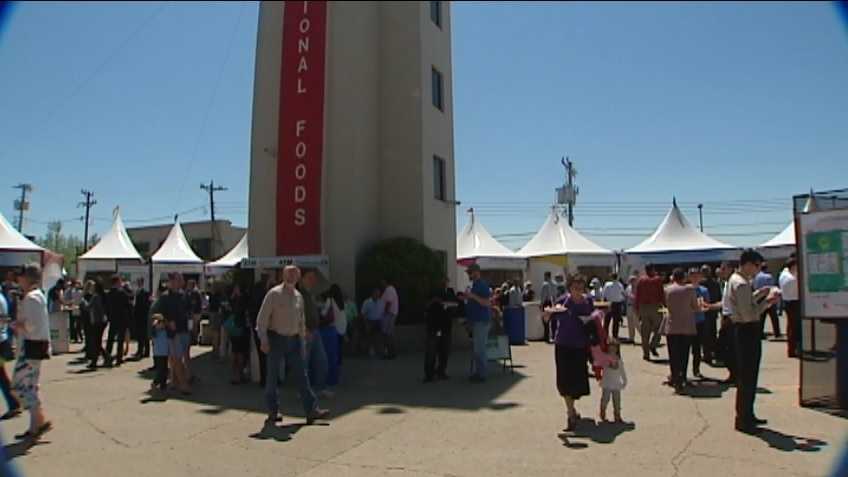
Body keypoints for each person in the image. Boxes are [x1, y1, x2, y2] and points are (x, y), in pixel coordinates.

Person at [256, 265, 329, 425]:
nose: (291, 278)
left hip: (295, 340)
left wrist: (302, 339)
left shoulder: (298, 297)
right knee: (272, 377)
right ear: (283, 276)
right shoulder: (273, 294)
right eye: (289, 274)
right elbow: (262, 320)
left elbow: (301, 320)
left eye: (294, 275)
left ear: (298, 278)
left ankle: (311, 411)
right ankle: (273, 412)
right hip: (276, 338)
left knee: (302, 375)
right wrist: (264, 340)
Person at [729, 249, 781, 434]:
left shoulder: (736, 280)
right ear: (748, 264)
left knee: (748, 376)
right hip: (747, 329)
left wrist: (760, 293)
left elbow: (747, 303)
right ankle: (743, 418)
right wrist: (768, 302)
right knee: (748, 377)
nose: (757, 270)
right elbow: (749, 313)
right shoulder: (741, 283)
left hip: (742, 330)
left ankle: (747, 414)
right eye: (757, 266)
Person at [545, 274, 596, 431]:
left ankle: (572, 409)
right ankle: (570, 413)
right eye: (575, 288)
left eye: (581, 288)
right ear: (569, 288)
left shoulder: (588, 302)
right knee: (564, 380)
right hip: (563, 344)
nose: (578, 291)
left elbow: (595, 319)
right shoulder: (562, 301)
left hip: (580, 345)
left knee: (577, 382)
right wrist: (547, 314)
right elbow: (548, 319)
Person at [10, 263, 52, 441]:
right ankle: (38, 422)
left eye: (21, 276)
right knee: (30, 385)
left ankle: (38, 421)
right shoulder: (37, 296)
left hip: (30, 347)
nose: (18, 280)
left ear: (27, 278)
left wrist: (17, 325)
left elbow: (31, 325)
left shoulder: (32, 298)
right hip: (35, 347)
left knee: (20, 386)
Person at [150, 273, 191, 395]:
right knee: (176, 358)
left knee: (178, 358)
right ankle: (183, 385)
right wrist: (167, 323)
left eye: (180, 280)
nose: (179, 282)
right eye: (177, 280)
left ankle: (174, 382)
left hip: (184, 330)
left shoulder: (183, 295)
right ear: (171, 282)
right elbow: (156, 314)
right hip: (173, 333)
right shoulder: (165, 297)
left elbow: (187, 311)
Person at [664, 269, 702, 393]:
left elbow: (666, 305)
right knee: (684, 354)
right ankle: (682, 377)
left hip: (672, 325)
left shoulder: (667, 289)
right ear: (684, 277)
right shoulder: (690, 290)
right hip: (686, 326)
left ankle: (675, 377)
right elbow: (695, 307)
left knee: (673, 355)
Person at [300, 270, 329, 396]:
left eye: (314, 278)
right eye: (310, 277)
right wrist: (304, 329)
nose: (313, 280)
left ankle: (320, 388)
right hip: (306, 332)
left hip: (315, 331)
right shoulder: (300, 294)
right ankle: (304, 391)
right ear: (303, 279)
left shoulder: (310, 294)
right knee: (304, 363)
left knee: (321, 360)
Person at [424, 278, 458, 382]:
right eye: (442, 282)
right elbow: (426, 306)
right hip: (434, 326)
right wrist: (434, 301)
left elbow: (455, 305)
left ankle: (441, 372)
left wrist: (449, 305)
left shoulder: (450, 292)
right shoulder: (432, 292)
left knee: (445, 351)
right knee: (431, 351)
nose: (444, 284)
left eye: (445, 282)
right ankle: (429, 374)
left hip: (446, 326)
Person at [464, 264, 492, 383]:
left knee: (480, 349)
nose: (469, 275)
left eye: (470, 273)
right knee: (477, 349)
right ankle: (478, 372)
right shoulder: (475, 285)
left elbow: (486, 302)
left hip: (481, 321)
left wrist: (472, 296)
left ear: (476, 272)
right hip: (476, 321)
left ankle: (482, 374)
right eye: (468, 273)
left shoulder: (482, 285)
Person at [635, 264, 665, 361]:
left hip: (643, 307)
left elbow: (637, 295)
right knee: (659, 328)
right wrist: (665, 305)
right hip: (655, 306)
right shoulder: (657, 280)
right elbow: (661, 293)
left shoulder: (641, 280)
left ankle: (646, 353)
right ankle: (653, 344)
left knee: (645, 331)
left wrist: (637, 309)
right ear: (652, 269)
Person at [688, 268, 712, 379]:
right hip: (687, 322)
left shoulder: (704, 290)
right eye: (692, 275)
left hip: (699, 321)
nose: (695, 278)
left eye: (697, 275)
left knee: (697, 348)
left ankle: (696, 369)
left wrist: (702, 308)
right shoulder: (686, 290)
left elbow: (708, 305)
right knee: (685, 347)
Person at [0, 290, 21, 420]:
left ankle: (14, 403)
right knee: (1, 375)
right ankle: (14, 403)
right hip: (2, 340)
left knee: (1, 375)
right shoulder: (2, 296)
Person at [319, 284, 344, 388]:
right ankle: (337, 377)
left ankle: (331, 379)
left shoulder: (330, 300)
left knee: (330, 355)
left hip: (333, 328)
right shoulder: (340, 301)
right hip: (342, 328)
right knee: (337, 354)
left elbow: (324, 313)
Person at [249, 276, 271, 387]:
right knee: (266, 354)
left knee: (262, 353)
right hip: (264, 328)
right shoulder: (263, 301)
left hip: (257, 327)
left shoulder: (253, 302)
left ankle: (264, 378)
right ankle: (267, 379)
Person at [104, 275, 131, 367]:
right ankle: (119, 359)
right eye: (120, 281)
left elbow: (106, 307)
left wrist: (108, 316)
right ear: (117, 282)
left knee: (110, 339)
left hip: (113, 319)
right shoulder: (122, 293)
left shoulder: (108, 293)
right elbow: (128, 305)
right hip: (122, 319)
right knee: (120, 340)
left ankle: (107, 357)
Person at [598, 339, 627, 423]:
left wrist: (624, 381)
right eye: (610, 349)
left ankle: (617, 415)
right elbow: (600, 367)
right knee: (605, 399)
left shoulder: (619, 360)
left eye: (614, 349)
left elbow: (622, 371)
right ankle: (602, 411)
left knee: (617, 401)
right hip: (607, 383)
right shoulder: (605, 359)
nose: (612, 351)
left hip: (616, 384)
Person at [717, 262, 737, 383]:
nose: (721, 271)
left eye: (723, 269)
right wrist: (710, 306)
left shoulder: (734, 283)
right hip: (726, 318)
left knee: (729, 349)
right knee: (723, 349)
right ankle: (733, 374)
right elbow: (724, 303)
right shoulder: (726, 283)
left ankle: (735, 374)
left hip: (732, 319)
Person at [226, 284, 250, 385]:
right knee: (239, 352)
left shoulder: (234, 299)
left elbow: (229, 309)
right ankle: (238, 375)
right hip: (240, 327)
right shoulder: (243, 299)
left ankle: (235, 374)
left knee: (235, 351)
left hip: (234, 327)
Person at [699, 265, 723, 364]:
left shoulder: (700, 284)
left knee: (704, 334)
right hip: (713, 311)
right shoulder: (715, 283)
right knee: (712, 333)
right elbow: (719, 296)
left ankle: (707, 353)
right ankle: (713, 352)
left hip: (703, 311)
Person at [82, 281, 108, 369]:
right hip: (102, 321)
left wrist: (83, 302)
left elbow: (88, 307)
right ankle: (106, 358)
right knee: (97, 342)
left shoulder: (95, 297)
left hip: (97, 321)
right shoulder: (102, 296)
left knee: (96, 342)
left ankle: (96, 361)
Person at [779, 259, 800, 358]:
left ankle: (792, 348)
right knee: (794, 327)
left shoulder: (783, 274)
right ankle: (793, 349)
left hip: (788, 301)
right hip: (793, 302)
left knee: (791, 326)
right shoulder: (791, 278)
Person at [753, 265, 781, 339]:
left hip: (759, 297)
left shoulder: (756, 276)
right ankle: (777, 333)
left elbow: (755, 287)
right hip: (769, 297)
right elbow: (772, 286)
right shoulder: (769, 276)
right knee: (774, 317)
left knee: (761, 317)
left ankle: (760, 333)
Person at [361, 288, 384, 358]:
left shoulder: (381, 302)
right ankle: (370, 349)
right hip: (369, 320)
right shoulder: (367, 302)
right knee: (369, 334)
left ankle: (380, 350)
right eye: (376, 294)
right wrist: (365, 323)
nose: (377, 296)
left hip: (379, 321)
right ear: (373, 294)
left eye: (378, 294)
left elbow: (382, 313)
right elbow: (363, 313)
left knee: (380, 335)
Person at [602, 273, 626, 340]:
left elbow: (604, 294)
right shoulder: (620, 285)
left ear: (611, 277)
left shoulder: (607, 284)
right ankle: (615, 336)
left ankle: (605, 335)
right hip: (617, 304)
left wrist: (604, 302)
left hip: (609, 303)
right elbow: (622, 295)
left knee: (607, 321)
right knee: (616, 322)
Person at [380, 278, 400, 359]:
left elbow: (388, 302)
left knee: (388, 334)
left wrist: (384, 313)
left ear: (385, 281)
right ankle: (389, 352)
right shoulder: (389, 290)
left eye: (382, 282)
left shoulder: (389, 289)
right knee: (388, 334)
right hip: (389, 314)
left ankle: (391, 353)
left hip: (389, 315)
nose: (381, 283)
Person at [150, 314, 170, 393]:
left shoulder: (164, 331)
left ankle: (163, 386)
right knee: (160, 370)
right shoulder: (155, 332)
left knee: (164, 370)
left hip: (164, 353)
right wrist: (156, 322)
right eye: (159, 323)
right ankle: (155, 382)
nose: (161, 324)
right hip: (158, 354)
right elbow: (153, 327)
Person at [133, 278, 151, 359]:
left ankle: (145, 351)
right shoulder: (137, 292)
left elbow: (144, 305)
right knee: (140, 335)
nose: (138, 284)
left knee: (144, 335)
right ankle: (140, 350)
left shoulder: (144, 293)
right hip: (139, 317)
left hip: (143, 316)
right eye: (138, 282)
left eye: (139, 282)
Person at [539, 272, 555, 342]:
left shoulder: (545, 284)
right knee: (550, 320)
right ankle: (550, 336)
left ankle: (546, 337)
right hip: (551, 302)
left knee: (545, 321)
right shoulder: (553, 284)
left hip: (546, 303)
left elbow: (543, 296)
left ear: (546, 276)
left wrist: (541, 304)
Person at [624, 274, 640, 345]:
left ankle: (644, 337)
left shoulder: (638, 288)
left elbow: (637, 298)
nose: (632, 282)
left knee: (637, 323)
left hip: (635, 307)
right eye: (631, 280)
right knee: (630, 323)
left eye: (633, 280)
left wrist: (631, 297)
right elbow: (626, 295)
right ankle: (631, 338)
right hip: (629, 306)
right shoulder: (628, 287)